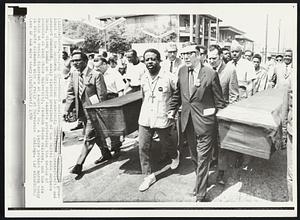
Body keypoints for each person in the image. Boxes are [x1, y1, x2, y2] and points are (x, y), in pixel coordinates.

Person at [168, 44, 226, 202]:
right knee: (194, 156)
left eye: (190, 53)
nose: (186, 57)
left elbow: (219, 101)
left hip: (206, 123)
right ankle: (202, 180)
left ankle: (200, 193)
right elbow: (177, 95)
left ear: (199, 55)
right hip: (187, 122)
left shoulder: (210, 73)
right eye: (184, 54)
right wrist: (172, 109)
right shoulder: (181, 71)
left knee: (203, 157)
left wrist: (219, 122)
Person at [138, 48, 180, 192]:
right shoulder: (143, 77)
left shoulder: (169, 77)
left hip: (163, 116)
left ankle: (175, 155)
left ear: (159, 60)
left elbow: (177, 94)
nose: (150, 62)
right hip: (145, 117)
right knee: (143, 146)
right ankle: (148, 176)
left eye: (153, 59)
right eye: (147, 59)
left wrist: (173, 109)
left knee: (167, 144)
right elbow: (143, 96)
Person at [64, 51, 111, 175]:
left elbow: (102, 96)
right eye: (73, 61)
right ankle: (106, 153)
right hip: (82, 112)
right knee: (96, 134)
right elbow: (70, 94)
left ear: (85, 61)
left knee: (89, 136)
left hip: (94, 111)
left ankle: (79, 164)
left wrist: (101, 113)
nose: (75, 63)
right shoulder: (74, 75)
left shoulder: (96, 75)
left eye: (78, 60)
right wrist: (66, 110)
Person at [207, 44, 239, 178]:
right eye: (209, 58)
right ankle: (210, 166)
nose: (211, 61)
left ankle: (221, 172)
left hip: (223, 114)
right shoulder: (206, 70)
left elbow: (234, 95)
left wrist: (228, 114)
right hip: (207, 114)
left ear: (220, 56)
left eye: (214, 58)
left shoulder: (230, 70)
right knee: (209, 141)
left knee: (222, 143)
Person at [94, 57, 126, 157]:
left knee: (113, 125)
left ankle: (116, 147)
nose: (97, 69)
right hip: (101, 99)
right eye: (95, 67)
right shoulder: (97, 75)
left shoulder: (114, 73)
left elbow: (120, 89)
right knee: (104, 125)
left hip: (113, 98)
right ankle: (108, 148)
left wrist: (120, 103)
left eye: (99, 67)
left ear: (105, 64)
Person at [282, 78, 293, 201]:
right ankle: (291, 201)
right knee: (292, 172)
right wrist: (284, 130)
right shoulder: (292, 80)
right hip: (292, 131)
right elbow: (285, 106)